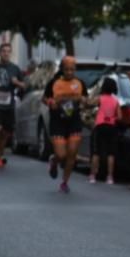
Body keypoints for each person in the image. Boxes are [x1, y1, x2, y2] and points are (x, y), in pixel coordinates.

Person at [43, 56, 87, 193]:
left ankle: (64, 182)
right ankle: (54, 161)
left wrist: (85, 100)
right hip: (58, 121)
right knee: (61, 155)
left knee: (72, 153)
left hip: (74, 121)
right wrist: (51, 103)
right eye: (67, 69)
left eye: (72, 69)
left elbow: (85, 98)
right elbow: (44, 98)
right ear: (62, 69)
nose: (69, 72)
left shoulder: (79, 83)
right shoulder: (54, 83)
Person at [90, 76, 120, 185]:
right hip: (111, 127)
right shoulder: (116, 101)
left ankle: (93, 175)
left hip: (100, 125)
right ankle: (110, 177)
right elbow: (120, 117)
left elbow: (89, 103)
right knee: (111, 153)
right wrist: (112, 118)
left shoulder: (100, 98)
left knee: (96, 152)